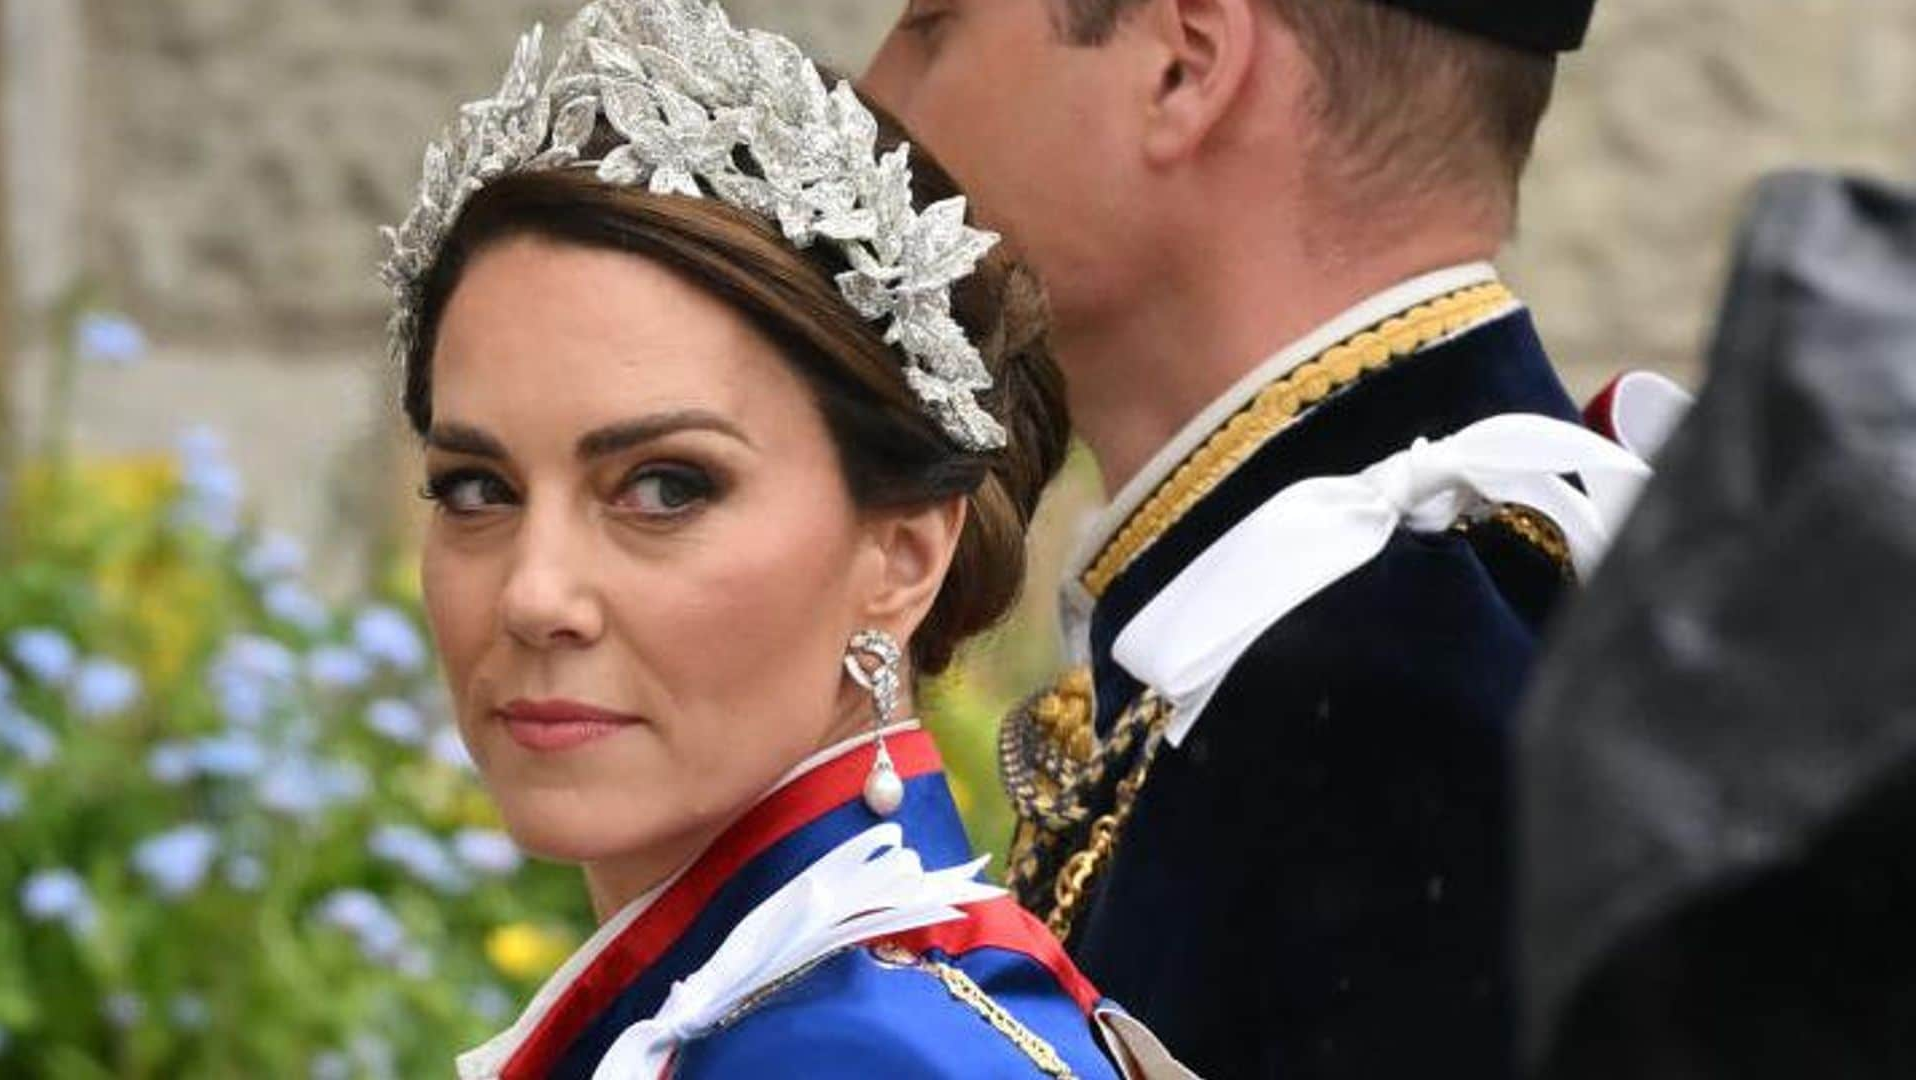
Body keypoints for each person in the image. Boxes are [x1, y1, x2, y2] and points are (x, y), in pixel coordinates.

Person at [380, 2, 1185, 1076]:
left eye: (664, 487)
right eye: (478, 488)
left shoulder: (858, 1052)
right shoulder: (796, 1013)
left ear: (901, 558)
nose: (535, 594)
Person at [865, 1, 1644, 1077]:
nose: (874, 91)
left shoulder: (1390, 695)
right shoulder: (1380, 622)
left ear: (1182, 69)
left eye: (932, 22)